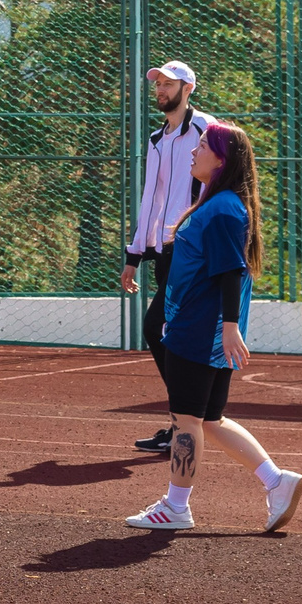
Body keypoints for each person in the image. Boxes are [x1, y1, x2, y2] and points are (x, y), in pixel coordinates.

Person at [124, 121, 302, 534]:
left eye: (202, 145)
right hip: (201, 327)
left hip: (199, 328)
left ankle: (176, 506)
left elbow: (229, 271)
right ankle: (277, 483)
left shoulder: (223, 208)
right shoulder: (222, 204)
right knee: (210, 419)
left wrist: (227, 327)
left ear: (221, 160)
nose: (194, 151)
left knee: (185, 418)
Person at [121, 61, 212, 457]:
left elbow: (224, 180)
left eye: (167, 84)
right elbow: (151, 199)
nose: (159, 89)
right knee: (164, 332)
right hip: (165, 251)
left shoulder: (208, 129)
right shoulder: (158, 138)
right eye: (156, 84)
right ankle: (185, 422)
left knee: (158, 328)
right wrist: (134, 253)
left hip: (193, 250)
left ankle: (188, 422)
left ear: (188, 87)